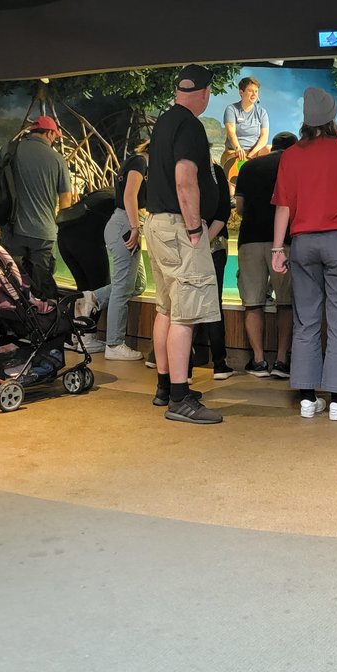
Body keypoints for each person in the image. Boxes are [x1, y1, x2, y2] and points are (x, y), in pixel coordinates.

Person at [271, 87, 337, 421]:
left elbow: (283, 207)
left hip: (302, 244)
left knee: (306, 319)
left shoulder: (291, 156)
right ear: (332, 117)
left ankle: (307, 398)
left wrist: (276, 248)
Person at [145, 64, 224, 424]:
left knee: (166, 307)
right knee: (187, 313)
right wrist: (195, 229)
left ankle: (165, 386)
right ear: (205, 94)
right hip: (179, 226)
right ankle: (180, 397)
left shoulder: (164, 121)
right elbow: (185, 179)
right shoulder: (190, 125)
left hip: (156, 224)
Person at [234, 131, 296, 377]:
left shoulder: (249, 167)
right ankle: (281, 361)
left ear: (272, 147)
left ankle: (258, 361)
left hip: (250, 240)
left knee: (253, 301)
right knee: (286, 302)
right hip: (285, 242)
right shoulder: (294, 166)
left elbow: (239, 207)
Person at [1, 115, 73, 302]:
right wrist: (63, 227)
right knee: (42, 284)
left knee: (13, 282)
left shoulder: (10, 149)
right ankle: (45, 321)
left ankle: (17, 322)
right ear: (49, 132)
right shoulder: (57, 159)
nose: (55, 140)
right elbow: (65, 199)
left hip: (12, 229)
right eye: (55, 136)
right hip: (43, 233)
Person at [100, 142, 149, 361]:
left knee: (137, 284)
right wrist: (135, 227)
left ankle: (92, 298)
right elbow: (130, 196)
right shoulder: (140, 162)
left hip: (122, 223)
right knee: (122, 287)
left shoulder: (135, 161)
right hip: (125, 224)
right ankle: (114, 343)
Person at [194, 160, 235, 379]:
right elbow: (223, 211)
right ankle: (219, 363)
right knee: (213, 303)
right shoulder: (214, 170)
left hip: (188, 244)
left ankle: (185, 365)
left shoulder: (184, 168)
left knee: (186, 302)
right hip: (214, 244)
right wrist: (206, 240)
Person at [223, 76, 270, 167]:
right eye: (250, 91)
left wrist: (252, 154)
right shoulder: (231, 109)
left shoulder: (262, 112)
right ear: (241, 92)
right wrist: (238, 149)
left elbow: (264, 136)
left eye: (256, 91)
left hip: (254, 152)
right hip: (235, 152)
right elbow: (231, 132)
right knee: (234, 160)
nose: (254, 94)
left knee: (269, 148)